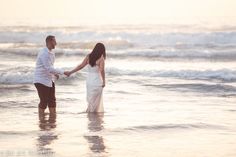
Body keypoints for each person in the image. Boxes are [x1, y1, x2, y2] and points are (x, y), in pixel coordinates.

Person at [65, 43, 106, 112]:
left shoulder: (89, 56)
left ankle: (91, 116)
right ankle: (93, 118)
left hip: (89, 81)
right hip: (97, 81)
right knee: (96, 101)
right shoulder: (101, 59)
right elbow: (102, 70)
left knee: (91, 101)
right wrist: (104, 81)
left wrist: (70, 72)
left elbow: (80, 66)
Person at [34, 35, 66, 116]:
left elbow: (50, 67)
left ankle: (53, 116)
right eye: (54, 41)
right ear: (50, 42)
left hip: (49, 80)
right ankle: (41, 118)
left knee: (52, 100)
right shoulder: (44, 53)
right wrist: (63, 72)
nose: (56, 43)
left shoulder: (51, 52)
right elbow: (49, 68)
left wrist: (55, 73)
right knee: (44, 101)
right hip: (41, 80)